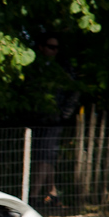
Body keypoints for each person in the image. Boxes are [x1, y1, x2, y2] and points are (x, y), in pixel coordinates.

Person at [24, 33, 79, 207]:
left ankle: (33, 196)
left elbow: (74, 90)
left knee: (44, 156)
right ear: (41, 47)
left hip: (54, 120)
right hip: (37, 118)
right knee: (46, 156)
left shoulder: (63, 68)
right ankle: (51, 193)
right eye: (50, 47)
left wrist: (64, 113)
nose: (54, 51)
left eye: (56, 48)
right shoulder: (34, 67)